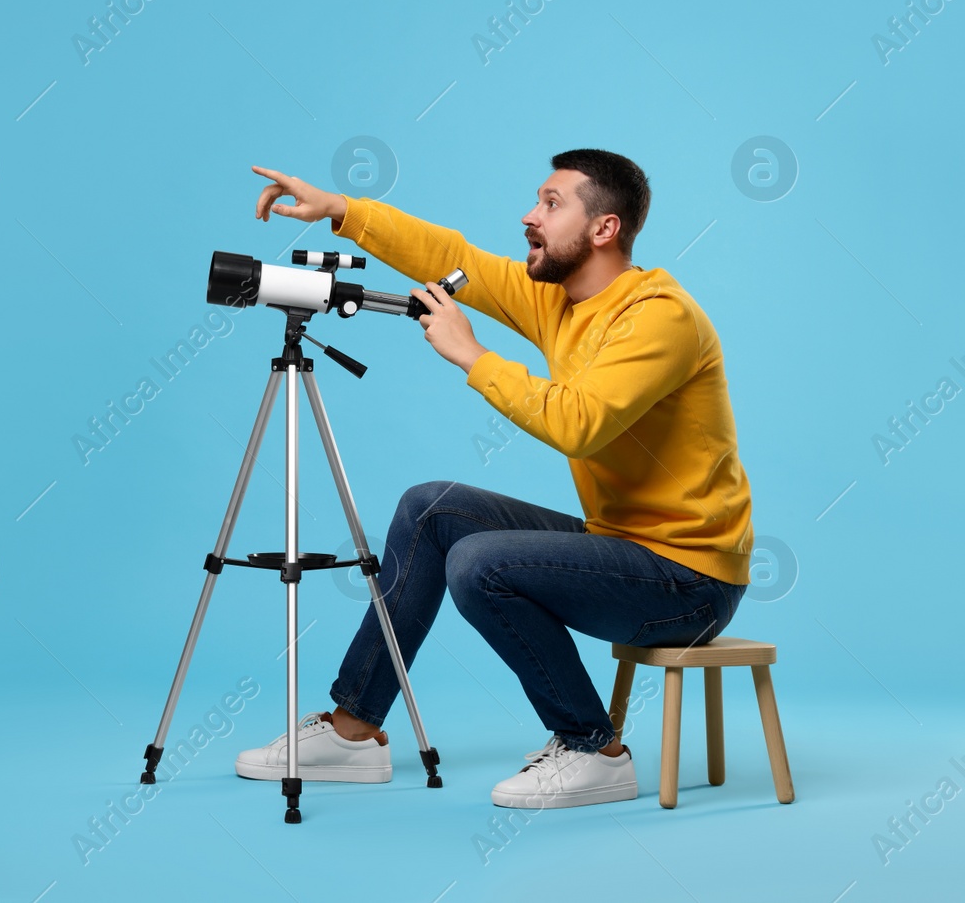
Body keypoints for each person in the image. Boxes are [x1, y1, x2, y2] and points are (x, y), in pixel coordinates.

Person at [232, 149, 754, 808]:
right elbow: (458, 258)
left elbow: (580, 423)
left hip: (690, 580)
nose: (528, 216)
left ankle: (594, 747)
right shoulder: (561, 300)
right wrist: (343, 210)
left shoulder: (658, 317)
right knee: (431, 507)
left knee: (482, 561)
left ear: (604, 229)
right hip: (623, 545)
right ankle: (354, 731)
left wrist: (471, 354)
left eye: (551, 203)